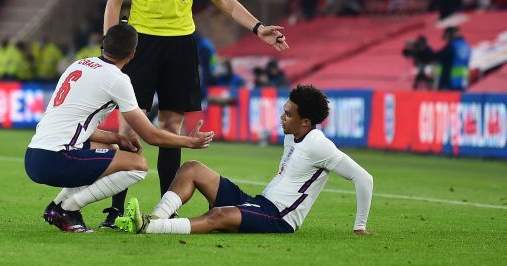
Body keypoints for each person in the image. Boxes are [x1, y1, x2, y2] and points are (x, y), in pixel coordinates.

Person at [103, 0, 289, 227]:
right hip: (141, 46)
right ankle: (116, 210)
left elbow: (226, 1)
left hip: (181, 48)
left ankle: (166, 210)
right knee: (130, 128)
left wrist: (258, 28)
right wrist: (110, 51)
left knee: (171, 128)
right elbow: (114, 2)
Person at [24, 23, 214, 233]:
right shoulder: (117, 79)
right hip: (55, 159)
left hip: (33, 155)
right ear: (133, 53)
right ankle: (68, 209)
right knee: (138, 166)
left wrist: (117, 138)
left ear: (103, 44)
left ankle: (56, 206)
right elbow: (150, 135)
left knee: (112, 150)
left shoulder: (78, 65)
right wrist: (190, 141)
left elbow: (76, 125)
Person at [116, 85, 374, 236]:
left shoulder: (319, 144)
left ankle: (150, 228)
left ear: (305, 121)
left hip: (279, 219)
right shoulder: (293, 136)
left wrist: (359, 227)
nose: (282, 117)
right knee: (192, 168)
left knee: (218, 215)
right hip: (260, 203)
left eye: (288, 114)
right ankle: (155, 218)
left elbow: (364, 178)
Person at [431, 26, 471, 91]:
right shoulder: (465, 46)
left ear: (450, 35)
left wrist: (424, 50)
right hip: (462, 82)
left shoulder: (452, 47)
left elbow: (436, 56)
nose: (447, 40)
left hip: (450, 83)